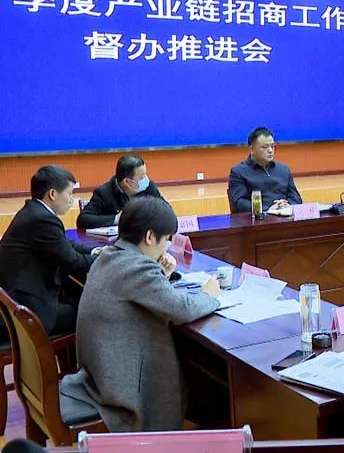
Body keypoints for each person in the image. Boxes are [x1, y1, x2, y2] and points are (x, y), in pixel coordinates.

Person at [60, 197, 221, 432]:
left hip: (99, 371)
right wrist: (210, 295)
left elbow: (139, 295)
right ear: (149, 237)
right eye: (166, 239)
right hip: (118, 384)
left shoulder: (109, 255)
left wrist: (161, 274)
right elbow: (182, 309)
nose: (166, 247)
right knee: (205, 380)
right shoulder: (136, 267)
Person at [0, 166, 99, 336]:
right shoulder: (43, 219)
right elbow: (75, 262)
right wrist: (107, 257)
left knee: (80, 296)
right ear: (53, 194)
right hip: (29, 310)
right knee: (95, 313)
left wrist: (94, 251)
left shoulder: (33, 211)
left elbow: (64, 243)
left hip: (18, 298)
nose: (71, 200)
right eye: (70, 193)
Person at [76, 154, 164, 229]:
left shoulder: (148, 187)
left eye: (145, 175)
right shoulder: (104, 193)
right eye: (142, 177)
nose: (145, 179)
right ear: (127, 181)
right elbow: (83, 220)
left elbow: (166, 210)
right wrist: (117, 219)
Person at [227, 127, 302, 213]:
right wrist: (268, 209)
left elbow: (296, 198)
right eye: (265, 147)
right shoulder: (239, 172)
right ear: (252, 149)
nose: (270, 150)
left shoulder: (283, 170)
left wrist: (287, 205)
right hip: (258, 218)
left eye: (272, 146)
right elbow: (239, 203)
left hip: (285, 216)